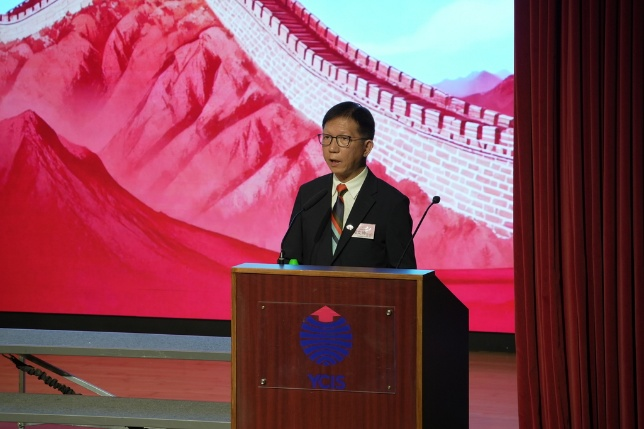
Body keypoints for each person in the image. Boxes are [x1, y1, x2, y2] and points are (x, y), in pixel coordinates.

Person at [281, 101, 416, 269]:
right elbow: (290, 257)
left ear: (366, 147)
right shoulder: (309, 195)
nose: (332, 148)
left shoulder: (391, 203)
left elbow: (404, 274)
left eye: (344, 139)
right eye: (327, 138)